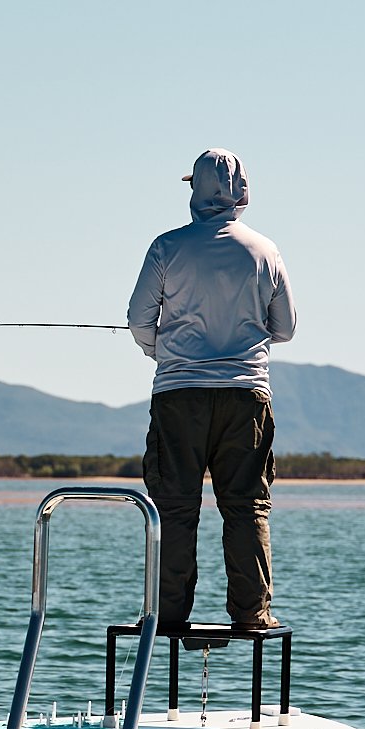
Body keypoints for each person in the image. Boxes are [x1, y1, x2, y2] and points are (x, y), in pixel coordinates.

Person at [126, 149, 297, 633]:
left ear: (196, 191)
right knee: (246, 508)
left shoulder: (166, 247)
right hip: (247, 396)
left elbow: (139, 319)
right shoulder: (265, 251)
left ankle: (166, 615)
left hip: (179, 395)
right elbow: (284, 329)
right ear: (241, 191)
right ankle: (252, 613)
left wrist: (163, 351)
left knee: (174, 508)